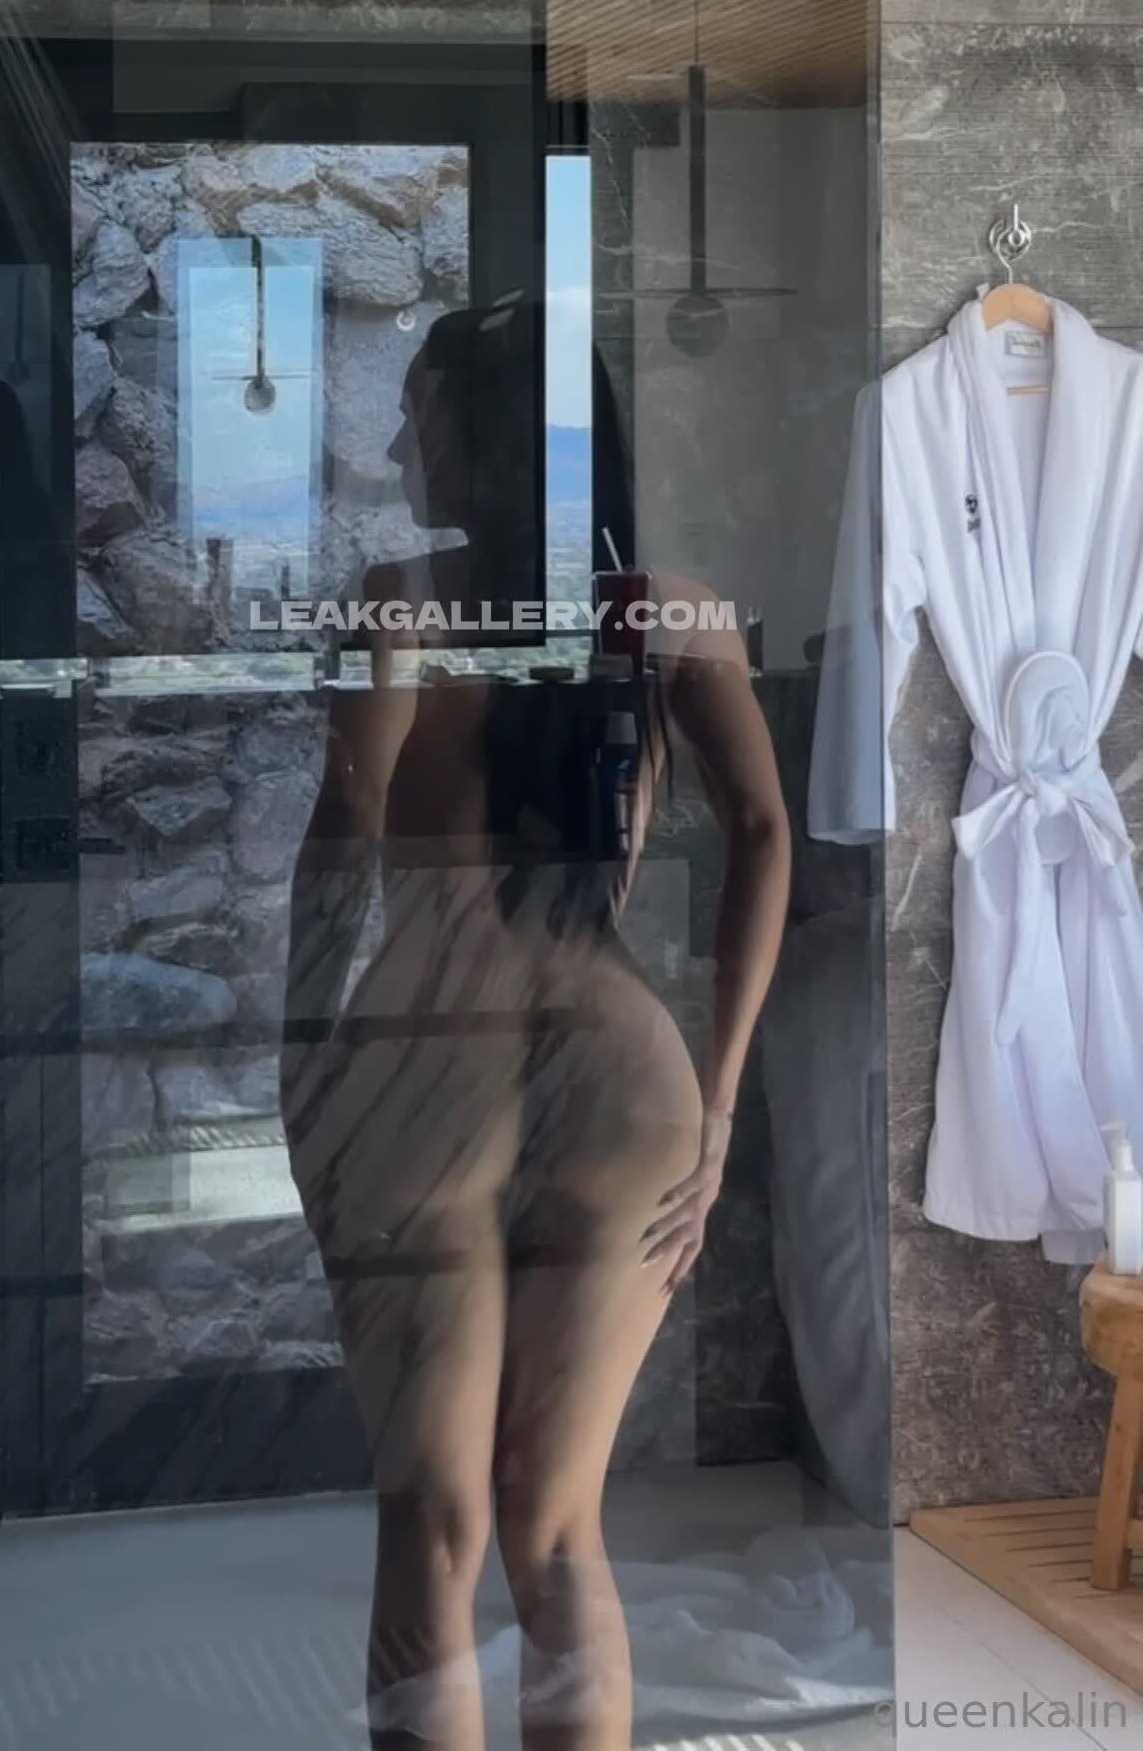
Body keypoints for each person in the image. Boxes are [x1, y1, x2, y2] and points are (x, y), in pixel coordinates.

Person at [283, 299, 790, 1751]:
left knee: (432, 1522)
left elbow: (346, 838)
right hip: (619, 1072)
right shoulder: (669, 615)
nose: (400, 449)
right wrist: (718, 1099)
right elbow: (766, 834)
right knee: (556, 1525)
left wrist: (300, 1061)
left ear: (495, 443)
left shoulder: (398, 608)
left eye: (420, 420)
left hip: (425, 1063)